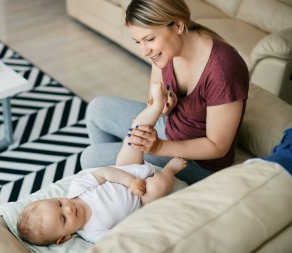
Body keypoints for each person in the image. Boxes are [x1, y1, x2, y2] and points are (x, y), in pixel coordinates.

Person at [80, 0, 249, 184]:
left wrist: (159, 147)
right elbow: (153, 98)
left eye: (150, 39)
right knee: (97, 109)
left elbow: (218, 147)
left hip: (198, 162)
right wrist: (162, 107)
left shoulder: (223, 69)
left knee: (91, 158)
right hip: (168, 127)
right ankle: (118, 187)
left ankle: (119, 185)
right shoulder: (167, 48)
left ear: (178, 25)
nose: (144, 51)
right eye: (139, 41)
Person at [17, 83, 187, 246]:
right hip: (142, 198)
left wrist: (130, 181)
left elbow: (105, 173)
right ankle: (170, 170)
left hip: (126, 170)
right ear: (64, 238)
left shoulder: (77, 189)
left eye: (59, 203)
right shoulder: (93, 233)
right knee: (158, 188)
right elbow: (121, 235)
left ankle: (156, 107)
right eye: (63, 219)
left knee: (134, 135)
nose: (68, 208)